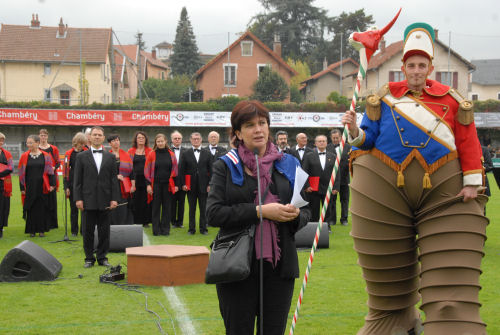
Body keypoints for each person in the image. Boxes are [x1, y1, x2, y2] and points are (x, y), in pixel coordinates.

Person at [342, 23, 487, 335]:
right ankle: (397, 322)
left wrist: (472, 181)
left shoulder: (452, 100)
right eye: (411, 65)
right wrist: (354, 130)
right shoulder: (382, 99)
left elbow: (468, 142)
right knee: (387, 283)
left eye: (422, 65)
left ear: (430, 68)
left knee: (452, 286)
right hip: (384, 191)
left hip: (445, 193)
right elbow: (368, 140)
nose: (417, 70)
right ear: (403, 67)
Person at [207, 100, 310, 334]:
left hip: (279, 268)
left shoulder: (288, 164)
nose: (258, 129)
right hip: (236, 266)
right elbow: (213, 214)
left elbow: (306, 211)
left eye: (262, 123)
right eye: (250, 125)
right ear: (238, 133)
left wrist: (293, 215)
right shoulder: (225, 165)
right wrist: (260, 212)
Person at [73, 126, 120, 268]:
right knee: (87, 231)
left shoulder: (111, 157)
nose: (97, 137)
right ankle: (89, 258)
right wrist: (78, 198)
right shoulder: (81, 156)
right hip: (88, 199)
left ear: (103, 138)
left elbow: (113, 180)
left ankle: (102, 257)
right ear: (90, 137)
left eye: (100, 135)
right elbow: (77, 180)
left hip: (105, 200)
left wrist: (114, 198)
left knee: (104, 230)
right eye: (95, 135)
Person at [18, 135, 56, 237]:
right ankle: (31, 230)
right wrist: (22, 188)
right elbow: (21, 173)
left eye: (31, 142)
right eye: (27, 143)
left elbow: (50, 171)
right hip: (29, 186)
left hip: (43, 186)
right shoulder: (24, 156)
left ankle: (41, 230)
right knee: (31, 207)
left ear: (37, 143)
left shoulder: (46, 155)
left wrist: (52, 184)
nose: (28, 145)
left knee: (42, 207)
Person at [144, 134, 178, 236]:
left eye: (161, 141)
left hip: (168, 185)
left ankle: (165, 230)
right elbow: (146, 171)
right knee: (156, 208)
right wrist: (148, 185)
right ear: (156, 143)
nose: (160, 143)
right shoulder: (152, 154)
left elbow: (175, 170)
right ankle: (156, 230)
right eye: (158, 142)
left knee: (167, 208)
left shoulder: (171, 154)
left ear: (166, 141)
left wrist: (176, 185)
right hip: (156, 185)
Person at [302, 135, 337, 230]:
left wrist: (336, 187)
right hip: (314, 188)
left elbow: (337, 173)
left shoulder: (333, 156)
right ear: (315, 143)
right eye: (319, 141)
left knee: (328, 208)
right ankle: (314, 226)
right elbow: (304, 172)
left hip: (328, 187)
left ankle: (326, 226)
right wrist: (307, 186)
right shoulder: (309, 156)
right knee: (314, 209)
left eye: (324, 141)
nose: (322, 143)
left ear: (327, 143)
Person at [180, 132, 212, 235]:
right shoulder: (185, 153)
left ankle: (203, 229)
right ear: (191, 140)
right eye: (194, 139)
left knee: (203, 209)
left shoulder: (207, 153)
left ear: (201, 140)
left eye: (198, 139)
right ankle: (191, 229)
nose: (196, 140)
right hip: (190, 186)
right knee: (191, 209)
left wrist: (210, 184)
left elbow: (211, 171)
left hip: (204, 186)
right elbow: (181, 171)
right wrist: (183, 184)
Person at [63, 132, 88, 236]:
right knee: (73, 209)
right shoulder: (68, 154)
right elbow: (65, 171)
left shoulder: (87, 152)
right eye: (81, 143)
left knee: (85, 209)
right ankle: (74, 231)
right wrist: (66, 187)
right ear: (76, 142)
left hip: (85, 183)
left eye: (84, 143)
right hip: (72, 183)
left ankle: (84, 230)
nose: (82, 145)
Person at [326, 128, 351, 225]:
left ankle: (344, 219)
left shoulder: (348, 147)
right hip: (332, 179)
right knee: (332, 200)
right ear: (331, 138)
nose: (335, 139)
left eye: (337, 137)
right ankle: (332, 219)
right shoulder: (327, 147)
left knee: (344, 200)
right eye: (333, 138)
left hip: (345, 179)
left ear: (341, 137)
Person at [128, 131, 153, 227]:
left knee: (146, 201)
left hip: (147, 180)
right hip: (134, 180)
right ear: (136, 139)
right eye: (139, 137)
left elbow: (152, 166)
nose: (141, 139)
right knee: (135, 201)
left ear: (145, 139)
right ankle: (136, 221)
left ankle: (146, 221)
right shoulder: (130, 151)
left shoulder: (150, 151)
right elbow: (128, 166)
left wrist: (149, 183)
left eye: (143, 137)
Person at [108, 134, 134, 225]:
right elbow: (104, 172)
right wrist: (116, 176)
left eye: (118, 140)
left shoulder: (126, 155)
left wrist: (133, 185)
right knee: (113, 204)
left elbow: (132, 172)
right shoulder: (107, 156)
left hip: (125, 185)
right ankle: (113, 223)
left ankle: (124, 223)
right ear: (110, 143)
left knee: (124, 205)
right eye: (114, 141)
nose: (116, 142)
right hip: (112, 185)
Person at [39, 128, 60, 230]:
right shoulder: (36, 148)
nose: (43, 137)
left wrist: (54, 168)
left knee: (52, 200)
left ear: (47, 136)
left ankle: (52, 223)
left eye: (45, 135)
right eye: (41, 135)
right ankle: (43, 222)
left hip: (51, 178)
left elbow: (58, 162)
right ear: (39, 136)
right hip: (40, 178)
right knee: (42, 201)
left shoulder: (53, 148)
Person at [170, 130, 187, 228]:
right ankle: (173, 222)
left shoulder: (186, 151)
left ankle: (180, 222)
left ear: (181, 140)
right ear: (172, 140)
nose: (177, 140)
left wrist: (185, 183)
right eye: (175, 138)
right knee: (172, 203)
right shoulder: (168, 151)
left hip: (182, 182)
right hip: (171, 182)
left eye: (179, 138)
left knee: (181, 203)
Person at [0, 132, 13, 238]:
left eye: (2, 140)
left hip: (4, 184)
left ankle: (1, 229)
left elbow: (11, 167)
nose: (1, 142)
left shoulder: (7, 154)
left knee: (3, 207)